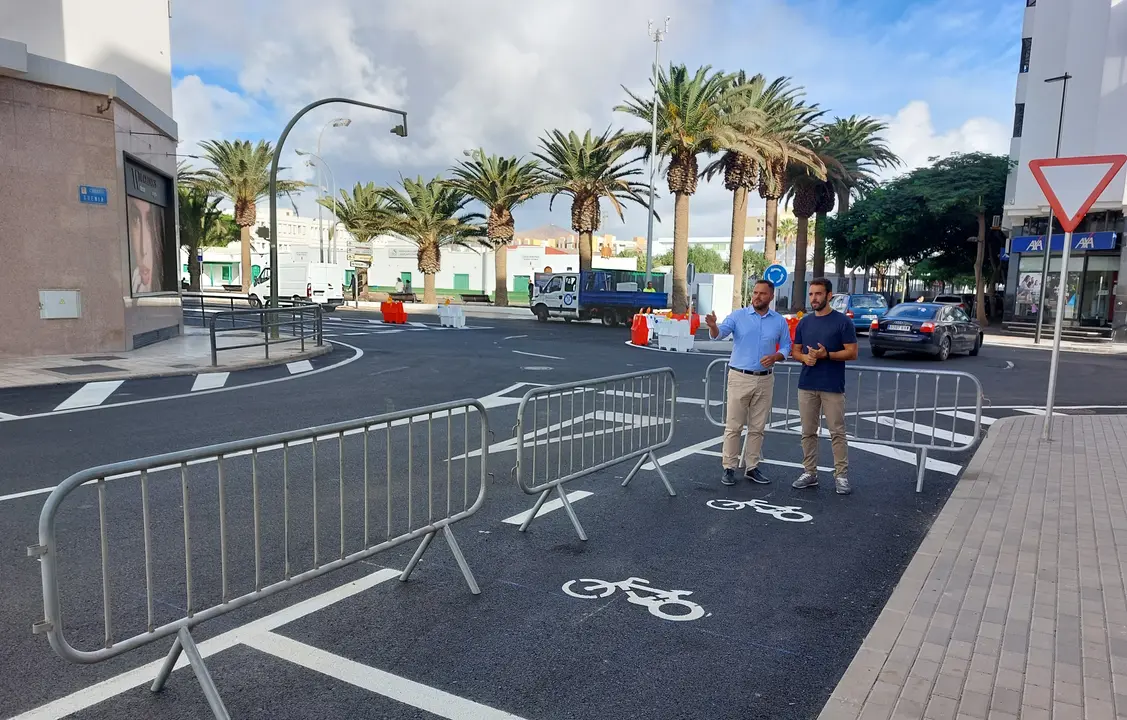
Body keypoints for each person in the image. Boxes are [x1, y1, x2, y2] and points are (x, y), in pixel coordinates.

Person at [705, 280, 792, 486]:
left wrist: (777, 356)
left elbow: (787, 345)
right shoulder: (738, 316)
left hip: (765, 379)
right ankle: (729, 467)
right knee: (733, 426)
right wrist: (713, 327)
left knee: (757, 427)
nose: (757, 296)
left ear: (771, 297)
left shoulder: (779, 321)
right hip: (739, 377)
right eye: (755, 292)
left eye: (762, 293)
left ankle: (752, 466)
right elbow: (720, 335)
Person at [791, 278, 858, 495]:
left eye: (818, 294)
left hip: (832, 386)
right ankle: (809, 472)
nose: (814, 298)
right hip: (807, 384)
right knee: (808, 432)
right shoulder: (805, 322)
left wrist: (826, 354)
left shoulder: (842, 322)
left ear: (829, 295)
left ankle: (841, 476)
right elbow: (795, 350)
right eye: (811, 294)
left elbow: (852, 352)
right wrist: (805, 359)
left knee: (837, 432)